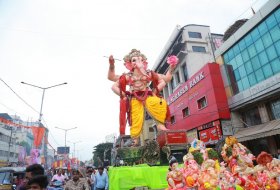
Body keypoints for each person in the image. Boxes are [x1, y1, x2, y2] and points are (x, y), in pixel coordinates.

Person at [108, 49, 178, 146]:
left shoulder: (149, 74)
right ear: (129, 63)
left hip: (148, 95)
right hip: (134, 98)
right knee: (135, 117)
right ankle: (135, 138)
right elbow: (112, 80)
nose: (137, 62)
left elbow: (166, 79)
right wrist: (112, 65)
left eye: (140, 59)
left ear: (144, 62)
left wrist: (171, 68)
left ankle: (160, 125)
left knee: (159, 102)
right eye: (134, 60)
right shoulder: (128, 76)